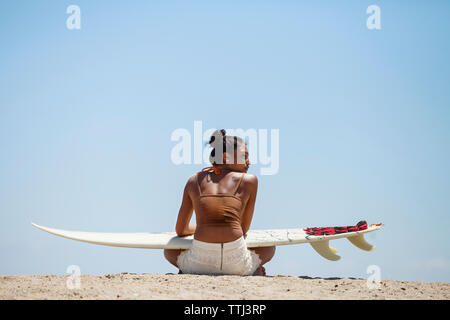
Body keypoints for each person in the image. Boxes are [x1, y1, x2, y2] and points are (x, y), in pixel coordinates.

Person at [164, 129, 275, 276]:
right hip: (236, 263)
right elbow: (243, 229)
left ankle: (187, 269)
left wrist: (204, 226)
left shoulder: (193, 181)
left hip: (199, 262)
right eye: (244, 156)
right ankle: (252, 270)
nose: (249, 162)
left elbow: (181, 230)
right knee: (269, 248)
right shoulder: (250, 181)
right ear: (225, 156)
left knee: (169, 251)